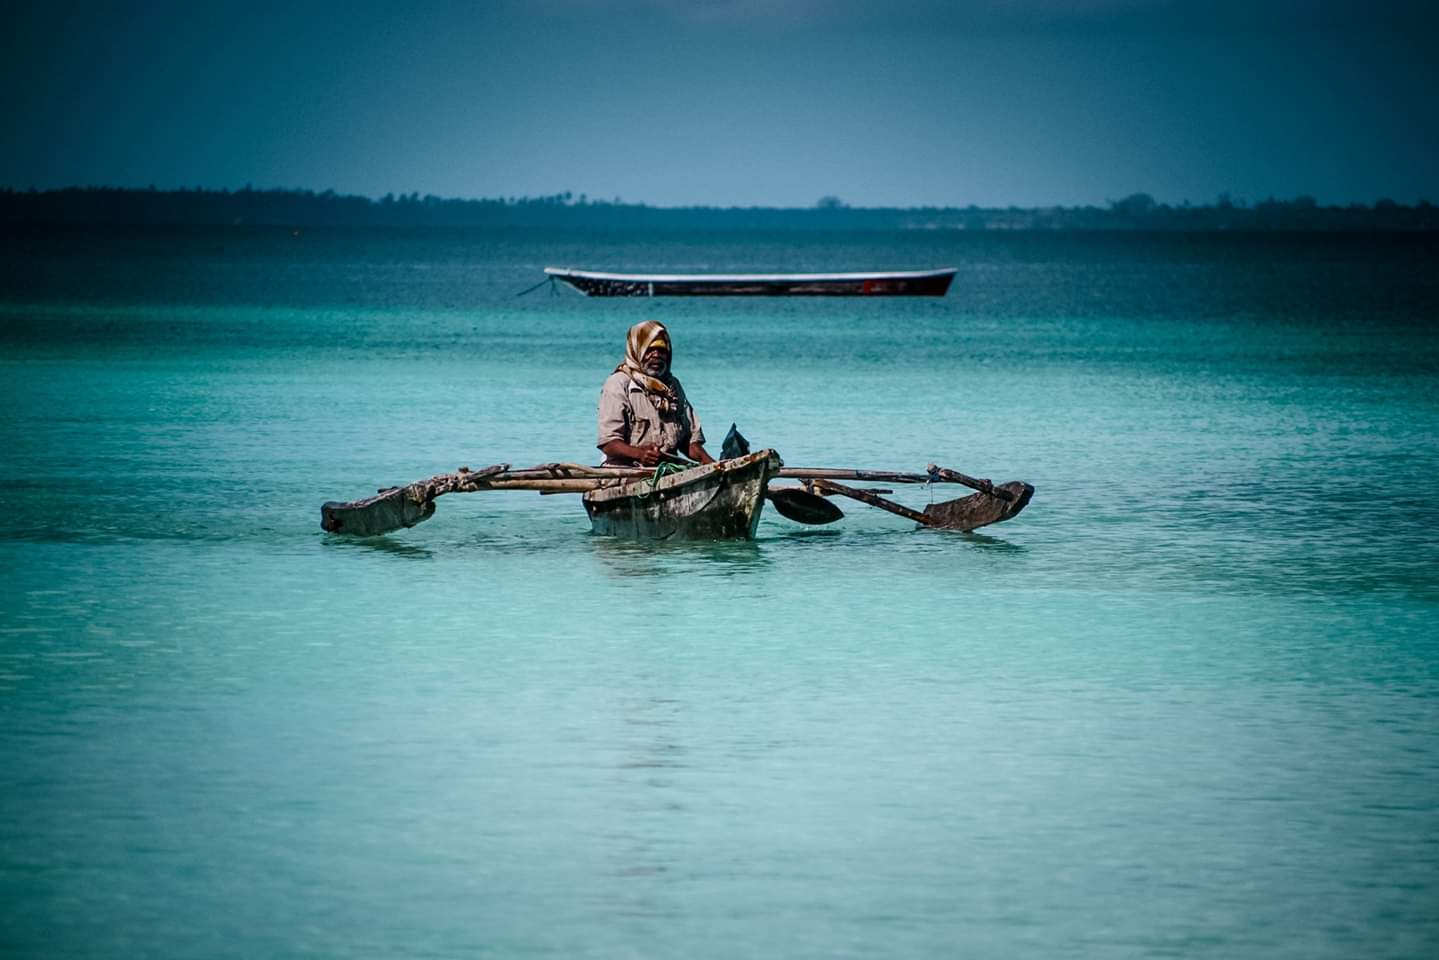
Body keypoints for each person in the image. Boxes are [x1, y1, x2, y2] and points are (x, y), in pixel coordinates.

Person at [597, 320, 715, 467]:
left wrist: (714, 465)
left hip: (668, 469)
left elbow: (689, 442)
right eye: (649, 350)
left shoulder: (672, 386)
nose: (656, 355)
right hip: (627, 472)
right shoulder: (618, 384)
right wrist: (640, 454)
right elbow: (608, 443)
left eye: (662, 350)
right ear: (637, 350)